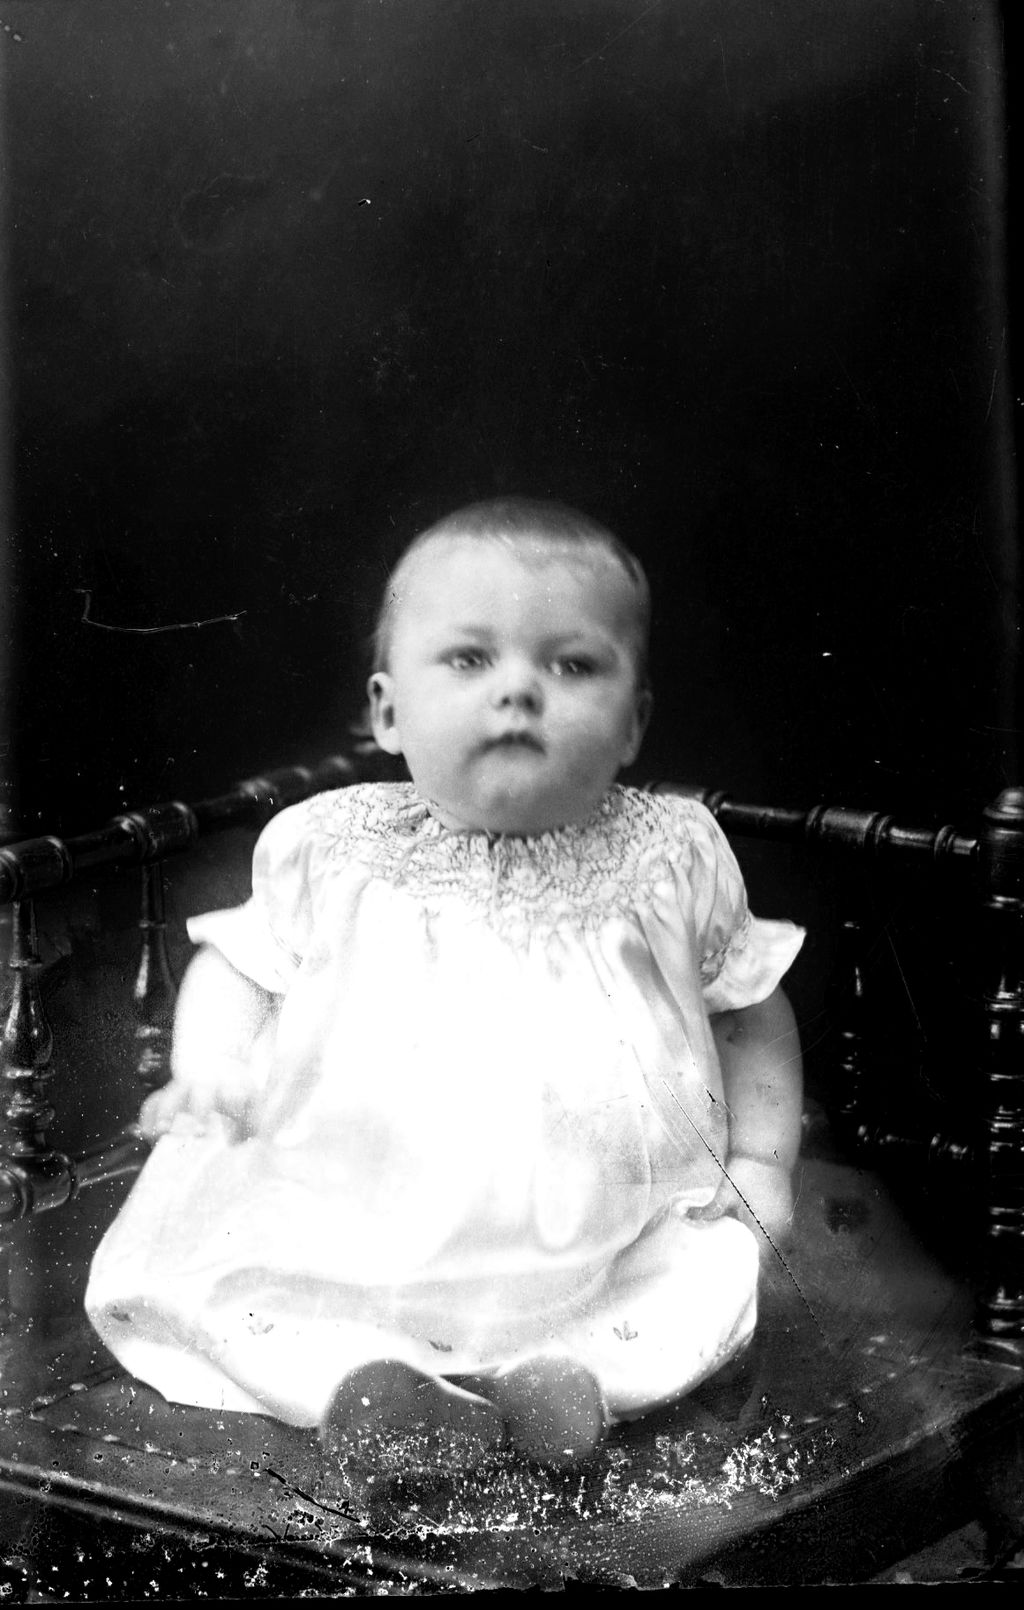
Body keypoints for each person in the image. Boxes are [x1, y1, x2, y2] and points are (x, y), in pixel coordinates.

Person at [85, 497, 804, 1506]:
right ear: (387, 711)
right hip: (354, 1220)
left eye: (572, 666)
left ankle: (567, 1379)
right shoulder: (329, 847)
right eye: (469, 659)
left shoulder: (673, 855)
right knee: (253, 1286)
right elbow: (240, 964)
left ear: (634, 722)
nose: (518, 690)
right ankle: (374, 1388)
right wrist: (210, 1062)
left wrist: (762, 1158)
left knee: (702, 1268)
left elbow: (751, 1007)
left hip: (606, 1234)